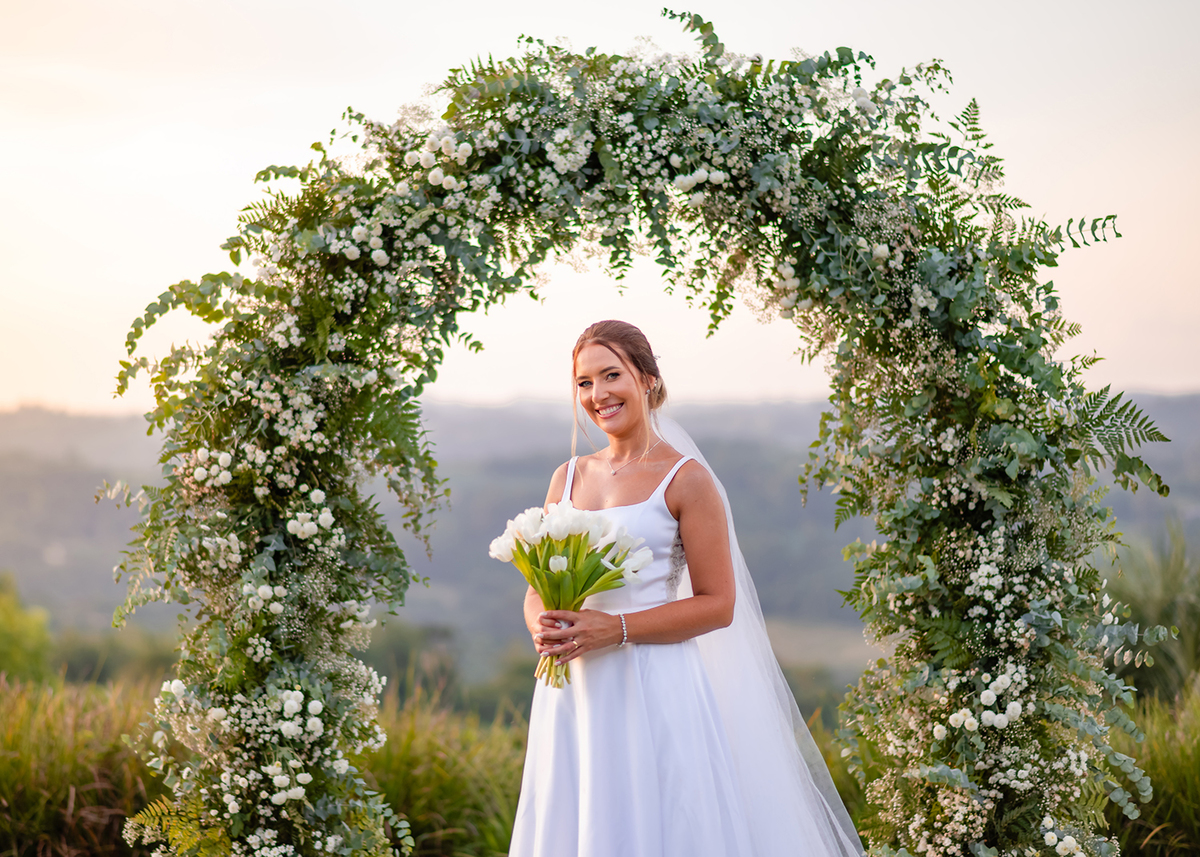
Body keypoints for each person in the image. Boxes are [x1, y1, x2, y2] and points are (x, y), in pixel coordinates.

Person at [508, 320, 864, 857]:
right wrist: (542, 621)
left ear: (648, 379)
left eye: (612, 375)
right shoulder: (569, 477)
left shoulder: (686, 479)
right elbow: (538, 584)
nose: (598, 395)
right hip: (573, 691)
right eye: (584, 383)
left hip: (653, 683)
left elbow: (718, 605)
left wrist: (616, 628)